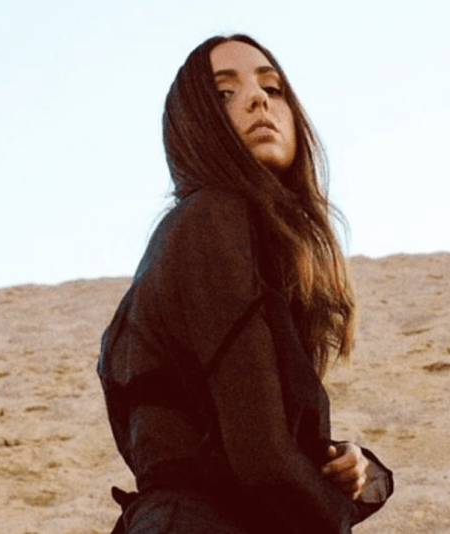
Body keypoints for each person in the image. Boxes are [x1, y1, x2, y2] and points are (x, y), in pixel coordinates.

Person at [97, 34, 393, 534]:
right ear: (195, 124)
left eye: (272, 88)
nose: (258, 99)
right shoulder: (211, 220)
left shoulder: (239, 242)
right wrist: (334, 509)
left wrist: (347, 465)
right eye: (224, 93)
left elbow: (248, 435)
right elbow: (261, 459)